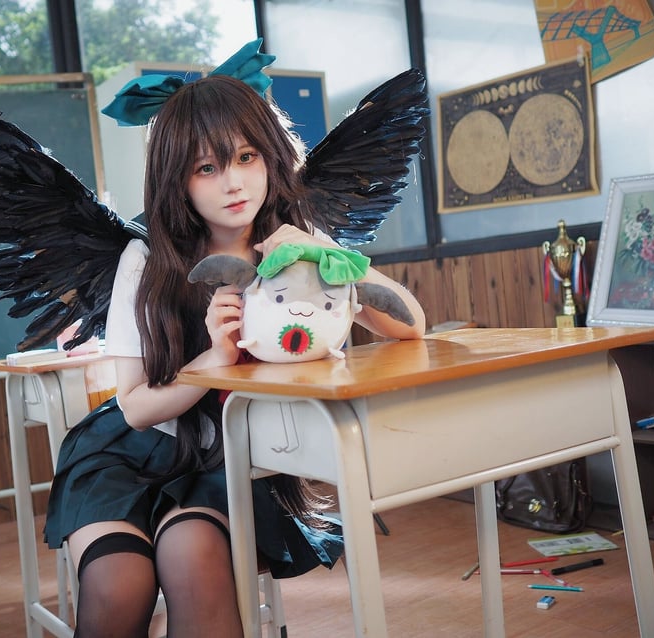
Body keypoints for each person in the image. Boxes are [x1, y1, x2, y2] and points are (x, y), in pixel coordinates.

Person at [43, 40, 426, 638]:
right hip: (131, 453)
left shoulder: (299, 241)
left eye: (246, 157)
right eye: (207, 168)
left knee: (192, 559)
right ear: (178, 181)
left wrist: (324, 252)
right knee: (118, 583)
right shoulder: (145, 258)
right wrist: (215, 359)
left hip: (235, 460)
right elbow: (135, 407)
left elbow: (410, 325)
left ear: (271, 156)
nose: (233, 182)